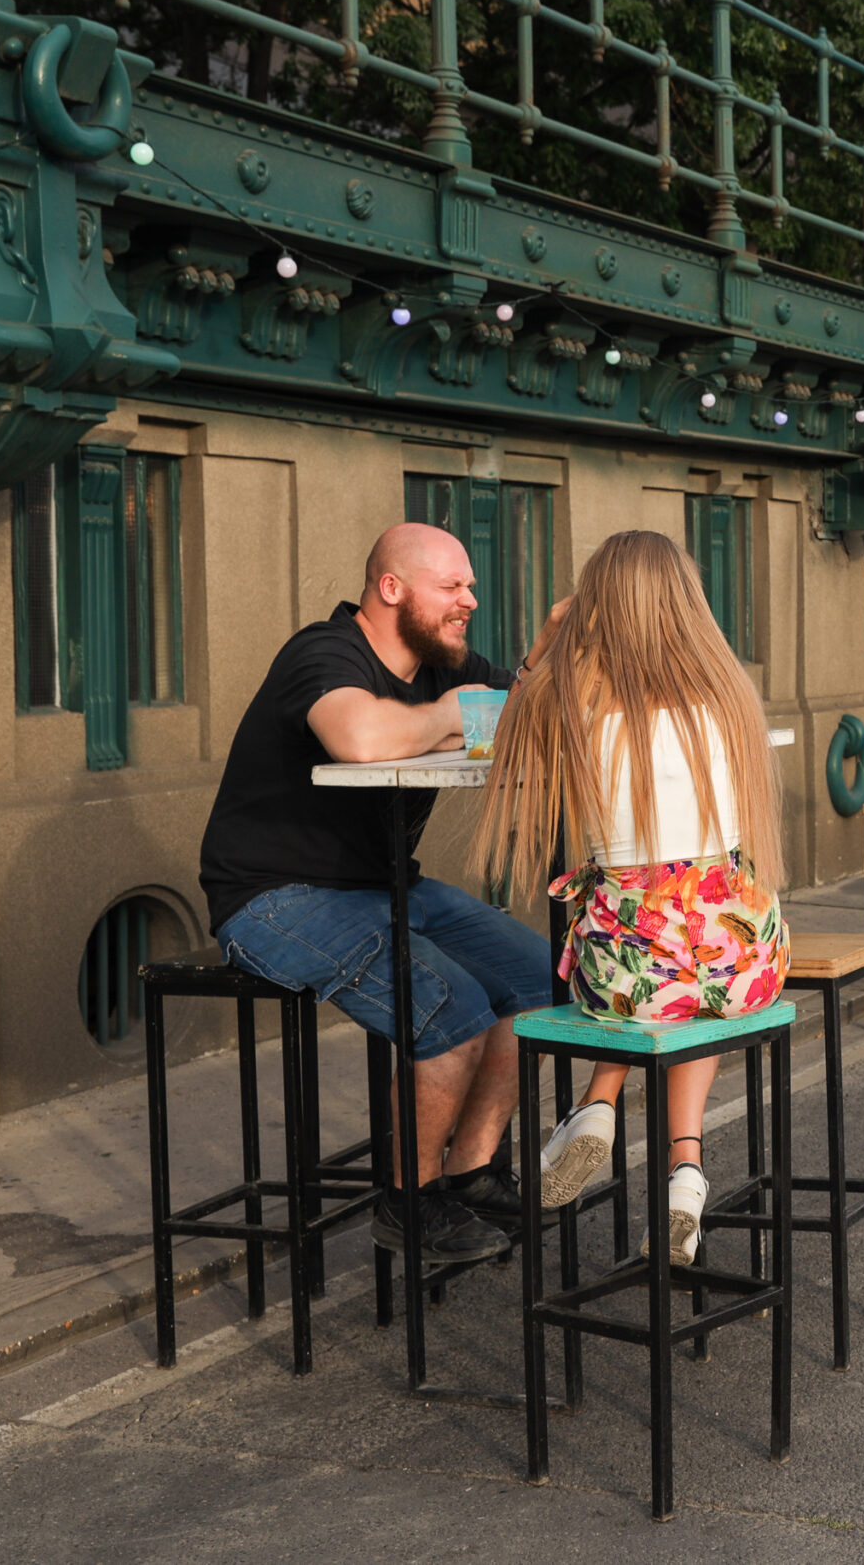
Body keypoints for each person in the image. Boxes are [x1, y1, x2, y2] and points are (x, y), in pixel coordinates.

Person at [202, 523, 565, 1264]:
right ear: (391, 589)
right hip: (274, 896)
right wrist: (459, 716)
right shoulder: (324, 652)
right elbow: (361, 740)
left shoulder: (445, 664)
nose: (470, 599)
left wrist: (545, 656)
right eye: (452, 586)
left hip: (387, 885)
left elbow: (523, 721)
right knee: (453, 1008)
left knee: (542, 978)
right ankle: (410, 1201)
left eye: (469, 585)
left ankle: (472, 1171)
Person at [475, 530, 790, 1266]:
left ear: (599, 608)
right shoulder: (731, 693)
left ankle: (597, 1103)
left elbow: (492, 739)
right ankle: (685, 1170)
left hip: (626, 971)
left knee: (645, 965)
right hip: (742, 958)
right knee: (689, 978)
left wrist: (546, 642)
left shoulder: (576, 703)